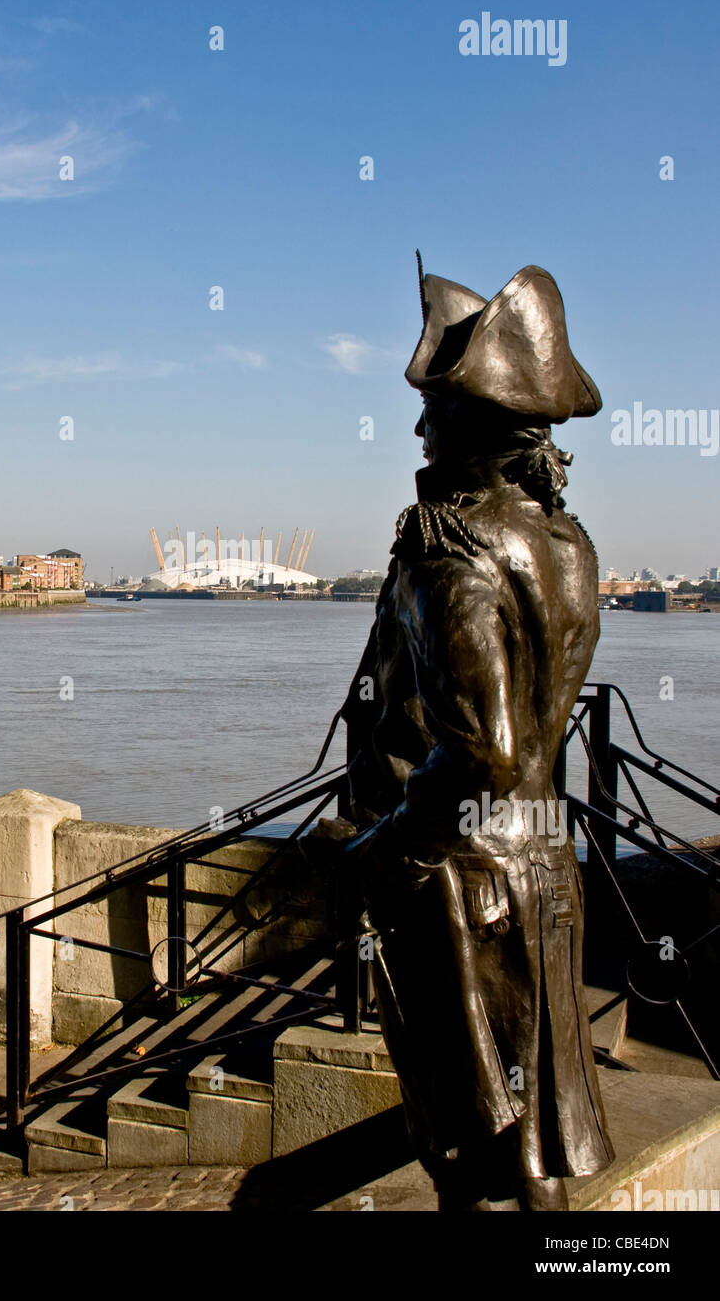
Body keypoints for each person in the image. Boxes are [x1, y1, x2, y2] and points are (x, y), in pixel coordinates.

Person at [340, 259, 614, 1210]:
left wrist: (382, 842)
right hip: (549, 865)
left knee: (464, 1148)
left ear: (473, 423)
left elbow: (486, 753)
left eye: (434, 410)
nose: (418, 429)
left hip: (465, 878)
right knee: (535, 1153)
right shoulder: (569, 546)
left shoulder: (446, 545)